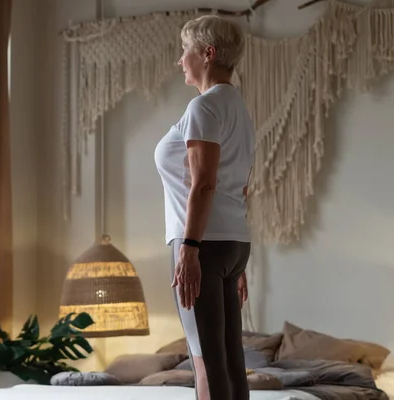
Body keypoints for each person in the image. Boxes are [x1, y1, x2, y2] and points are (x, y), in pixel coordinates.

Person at [154, 15, 255, 400]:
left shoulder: (203, 108)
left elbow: (205, 183)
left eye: (186, 51)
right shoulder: (239, 110)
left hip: (201, 243)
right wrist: (239, 264)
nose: (181, 60)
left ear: (207, 54)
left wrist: (189, 250)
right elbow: (242, 189)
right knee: (229, 361)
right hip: (232, 245)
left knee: (206, 365)